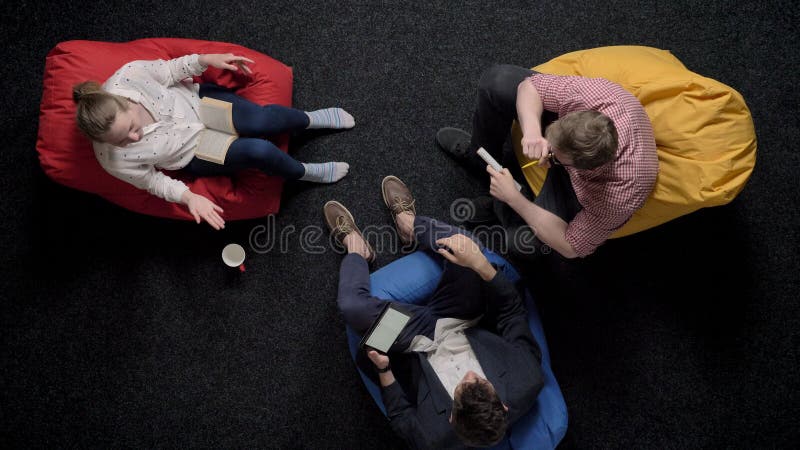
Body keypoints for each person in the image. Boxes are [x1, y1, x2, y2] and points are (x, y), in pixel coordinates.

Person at [324, 176, 543, 449]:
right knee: (463, 246)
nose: (469, 374)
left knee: (352, 308)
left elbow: (400, 417)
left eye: (464, 385)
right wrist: (481, 267)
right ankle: (409, 225)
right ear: (504, 404)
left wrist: (384, 369)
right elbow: (511, 313)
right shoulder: (528, 379)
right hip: (461, 318)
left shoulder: (433, 437)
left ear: (452, 415)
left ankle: (357, 248)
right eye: (479, 380)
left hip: (413, 341)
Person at [73, 53, 355, 230]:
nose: (134, 139)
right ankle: (303, 172)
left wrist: (205, 60)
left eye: (132, 128)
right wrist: (189, 197)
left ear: (124, 101)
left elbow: (172, 70)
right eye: (123, 141)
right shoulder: (111, 158)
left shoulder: (129, 76)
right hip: (194, 151)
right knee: (259, 151)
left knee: (262, 121)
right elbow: (152, 181)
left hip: (200, 103)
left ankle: (310, 119)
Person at [436, 64, 659, 259]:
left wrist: (515, 200)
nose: (545, 150)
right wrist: (532, 131)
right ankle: (480, 158)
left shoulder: (618, 196)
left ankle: (503, 203)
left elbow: (571, 246)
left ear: (575, 166)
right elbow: (530, 87)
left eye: (552, 153)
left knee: (522, 244)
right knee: (497, 81)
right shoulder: (596, 97)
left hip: (583, 188)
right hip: (576, 148)